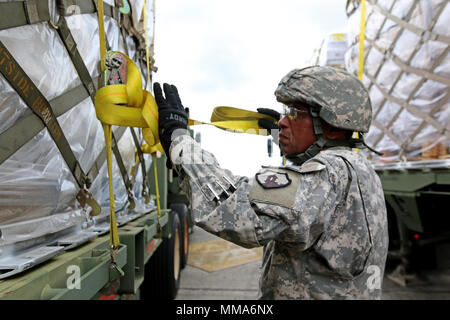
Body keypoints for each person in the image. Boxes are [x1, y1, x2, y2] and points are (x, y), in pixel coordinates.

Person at [153, 66, 389, 300]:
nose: (284, 121)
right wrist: (283, 137)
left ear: (330, 125)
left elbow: (237, 209)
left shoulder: (328, 174)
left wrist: (179, 141)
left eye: (295, 113)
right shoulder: (361, 168)